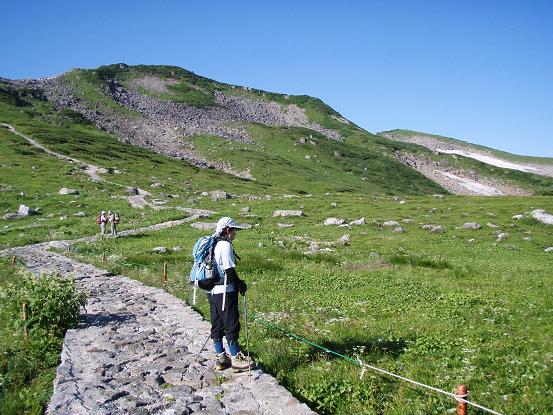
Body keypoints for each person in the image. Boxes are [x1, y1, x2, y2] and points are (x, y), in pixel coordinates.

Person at [209, 216, 254, 372]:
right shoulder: (225, 245)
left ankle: (220, 358)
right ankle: (236, 359)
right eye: (234, 230)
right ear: (228, 230)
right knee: (232, 323)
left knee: (217, 323)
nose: (236, 233)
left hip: (212, 290)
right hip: (225, 292)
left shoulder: (212, 243)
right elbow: (229, 269)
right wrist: (240, 284)